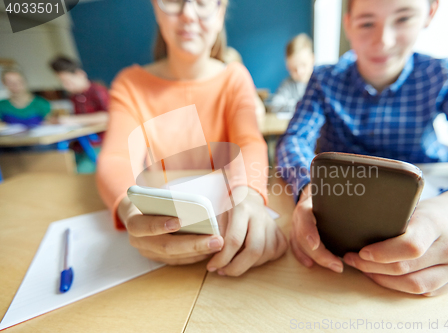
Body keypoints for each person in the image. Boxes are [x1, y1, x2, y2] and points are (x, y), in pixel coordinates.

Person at [276, 0, 448, 296]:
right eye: (367, 23)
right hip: (332, 241)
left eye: (403, 18)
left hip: (431, 215)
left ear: (430, 13)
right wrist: (308, 188)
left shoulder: (445, 75)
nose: (384, 40)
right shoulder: (324, 78)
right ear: (348, 23)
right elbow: (293, 140)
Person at [97, 0, 287, 277]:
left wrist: (250, 195)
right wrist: (130, 210)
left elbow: (249, 141)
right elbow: (116, 158)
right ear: (156, 9)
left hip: (224, 249)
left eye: (202, 2)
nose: (188, 14)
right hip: (159, 268)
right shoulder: (129, 84)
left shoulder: (234, 78)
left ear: (220, 13)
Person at [50, 56, 109, 125]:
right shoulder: (74, 96)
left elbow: (109, 115)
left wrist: (74, 120)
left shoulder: (98, 90)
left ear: (80, 74)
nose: (65, 86)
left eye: (68, 81)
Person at [267, 33, 315, 116]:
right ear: (287, 66)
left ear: (312, 59)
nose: (300, 72)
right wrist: (301, 105)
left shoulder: (321, 82)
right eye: (294, 68)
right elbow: (274, 105)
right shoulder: (288, 85)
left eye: (303, 65)